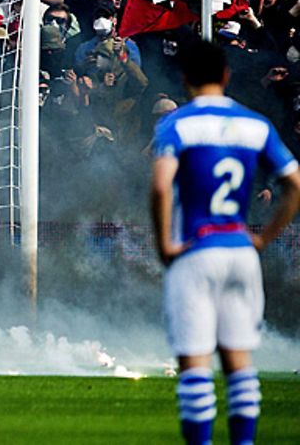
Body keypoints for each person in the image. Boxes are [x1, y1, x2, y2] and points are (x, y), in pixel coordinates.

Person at [150, 39, 300, 445]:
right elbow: (294, 182)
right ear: (227, 75)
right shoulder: (255, 124)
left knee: (195, 362)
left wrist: (165, 243)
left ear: (183, 79)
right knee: (239, 363)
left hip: (197, 250)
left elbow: (162, 186)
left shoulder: (177, 125)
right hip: (240, 249)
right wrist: (264, 237)